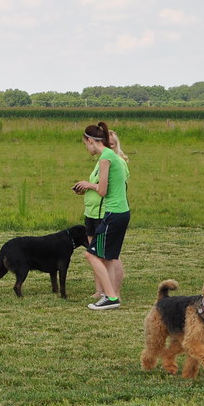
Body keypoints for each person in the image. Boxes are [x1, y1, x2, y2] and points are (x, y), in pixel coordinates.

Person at [72, 121, 130, 311]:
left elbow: (103, 190)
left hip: (113, 213)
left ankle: (111, 297)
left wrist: (88, 185)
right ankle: (110, 294)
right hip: (122, 212)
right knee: (109, 256)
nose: (86, 148)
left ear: (90, 141)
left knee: (91, 255)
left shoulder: (105, 157)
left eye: (85, 144)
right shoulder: (113, 155)